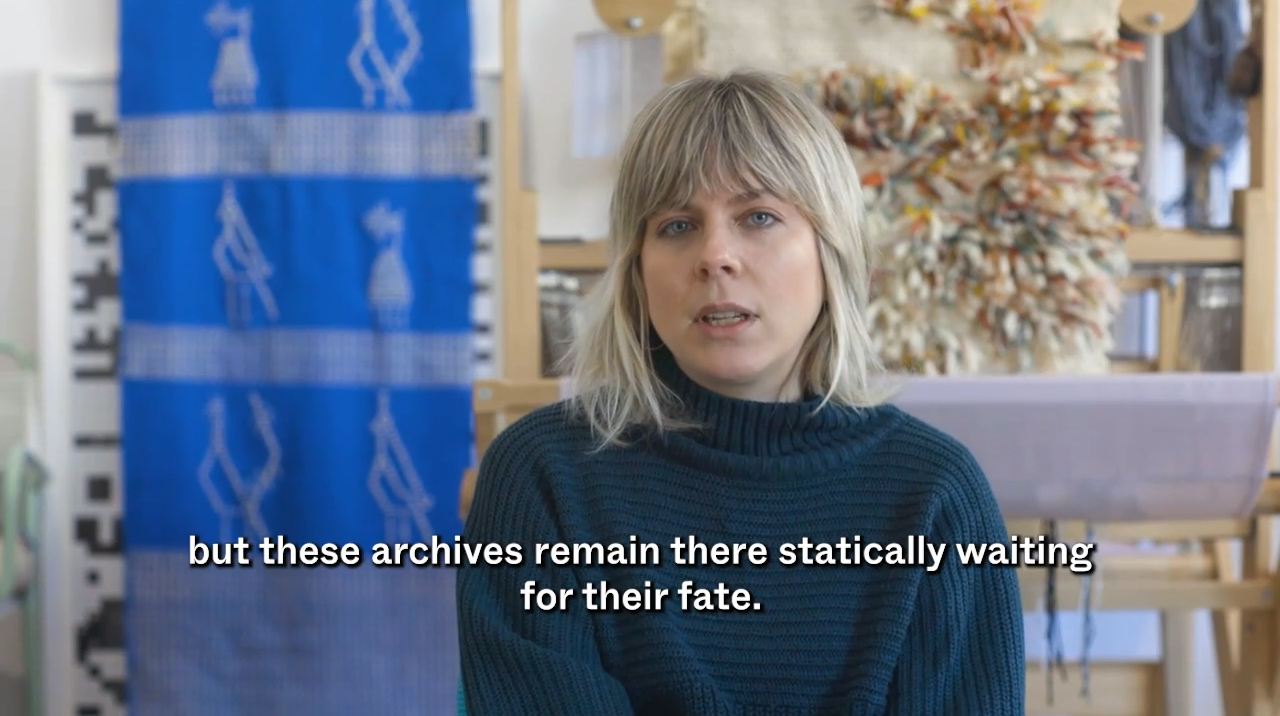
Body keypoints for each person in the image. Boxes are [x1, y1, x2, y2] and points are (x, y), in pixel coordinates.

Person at [457, 69, 1024, 715]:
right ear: (637, 271)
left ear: (832, 252)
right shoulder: (543, 475)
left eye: (759, 217)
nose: (715, 256)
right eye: (677, 225)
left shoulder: (935, 493)